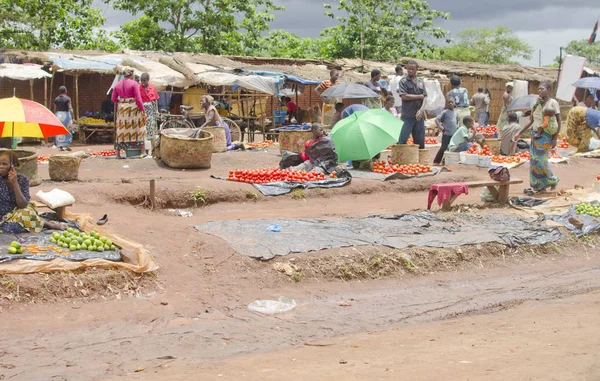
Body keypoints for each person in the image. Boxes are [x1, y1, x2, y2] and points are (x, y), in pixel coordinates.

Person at [0, 151, 66, 234]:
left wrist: (15, 183)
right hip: (1, 216)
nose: (1, 166)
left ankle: (46, 224)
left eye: (4, 164)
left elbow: (23, 205)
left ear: (13, 165)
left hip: (17, 213)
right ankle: (41, 224)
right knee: (9, 228)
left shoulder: (22, 180)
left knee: (26, 214)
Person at [513, 81, 561, 193]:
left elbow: (559, 122)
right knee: (534, 161)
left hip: (545, 135)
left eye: (542, 89)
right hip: (535, 135)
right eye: (538, 89)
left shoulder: (553, 103)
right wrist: (519, 133)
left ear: (549, 90)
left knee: (541, 160)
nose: (539, 91)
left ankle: (553, 180)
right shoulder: (537, 104)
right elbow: (531, 121)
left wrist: (555, 138)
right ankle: (539, 186)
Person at [112, 68, 147, 157]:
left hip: (122, 111)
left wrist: (122, 103)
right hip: (133, 110)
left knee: (121, 130)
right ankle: (142, 152)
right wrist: (142, 110)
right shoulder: (134, 84)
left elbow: (113, 99)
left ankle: (118, 154)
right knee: (139, 129)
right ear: (131, 75)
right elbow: (138, 99)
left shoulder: (117, 85)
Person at [398, 60, 428, 149]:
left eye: (412, 69)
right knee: (402, 140)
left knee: (420, 143)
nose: (410, 71)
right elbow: (404, 96)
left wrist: (422, 110)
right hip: (407, 116)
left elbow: (425, 97)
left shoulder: (421, 81)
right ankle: (399, 161)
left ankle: (419, 162)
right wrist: (418, 96)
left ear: (417, 69)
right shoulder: (403, 81)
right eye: (408, 69)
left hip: (419, 116)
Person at [433, 98, 460, 165]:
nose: (450, 103)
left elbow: (457, 122)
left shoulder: (456, 113)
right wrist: (441, 128)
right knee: (443, 148)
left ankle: (444, 161)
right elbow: (437, 120)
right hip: (446, 134)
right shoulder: (445, 112)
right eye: (449, 102)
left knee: (451, 148)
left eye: (452, 102)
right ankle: (436, 161)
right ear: (447, 104)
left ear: (454, 103)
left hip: (453, 134)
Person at [139, 72, 159, 155]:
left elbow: (155, 100)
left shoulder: (152, 88)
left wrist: (157, 111)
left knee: (152, 130)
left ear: (148, 80)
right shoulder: (138, 88)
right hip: (143, 112)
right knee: (143, 130)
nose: (143, 83)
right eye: (142, 81)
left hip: (152, 112)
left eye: (144, 81)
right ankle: (144, 150)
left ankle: (152, 149)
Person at [53, 86, 75, 151]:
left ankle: (60, 146)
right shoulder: (68, 99)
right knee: (68, 129)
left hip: (58, 115)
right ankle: (67, 145)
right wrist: (73, 116)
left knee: (59, 130)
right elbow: (70, 108)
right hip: (66, 115)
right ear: (66, 91)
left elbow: (54, 108)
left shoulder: (56, 99)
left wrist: (54, 115)